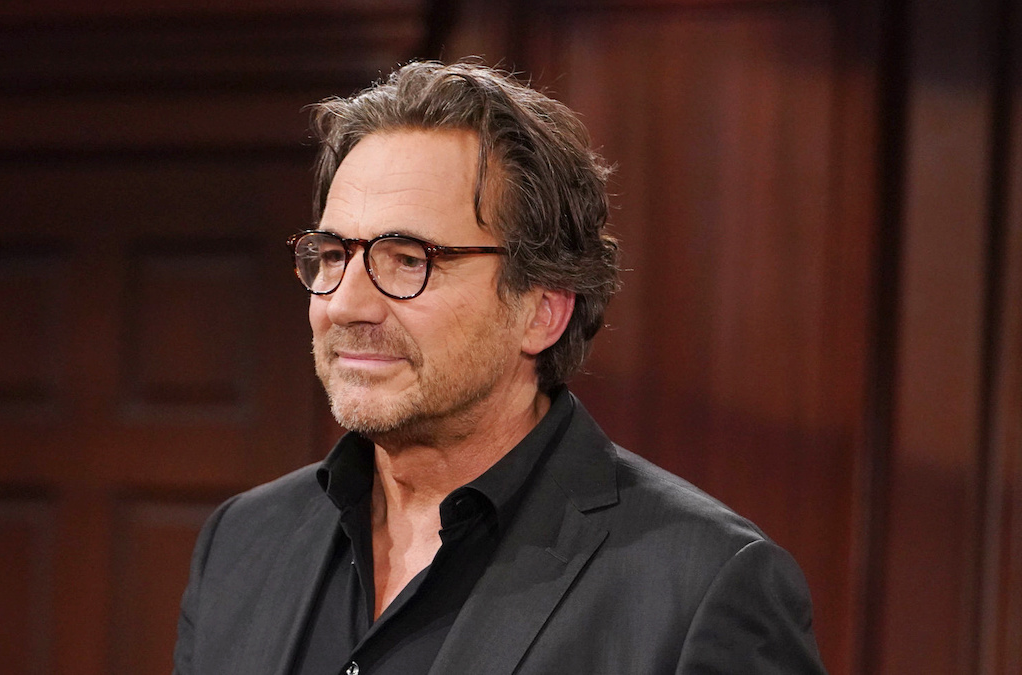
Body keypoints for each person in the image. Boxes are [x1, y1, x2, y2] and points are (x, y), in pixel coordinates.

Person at [173, 60, 826, 674]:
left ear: (542, 310)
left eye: (409, 260)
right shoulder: (241, 540)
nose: (345, 304)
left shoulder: (704, 587)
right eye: (334, 254)